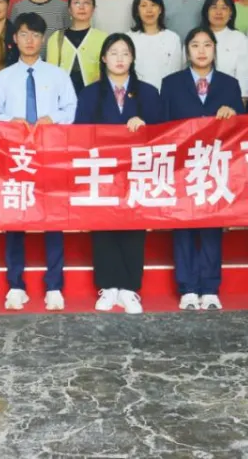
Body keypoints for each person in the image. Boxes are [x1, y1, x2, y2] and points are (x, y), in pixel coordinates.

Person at [0, 13, 78, 312]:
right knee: (15, 219)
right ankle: (16, 285)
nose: (29, 40)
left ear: (42, 39)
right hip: (16, 157)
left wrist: (54, 118)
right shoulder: (3, 77)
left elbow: (72, 108)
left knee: (53, 220)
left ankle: (54, 286)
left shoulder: (57, 75)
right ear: (15, 38)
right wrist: (9, 121)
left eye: (35, 35)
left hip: (51, 157)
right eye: (24, 34)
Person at [75, 33, 161, 314]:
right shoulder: (90, 93)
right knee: (103, 227)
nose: (120, 58)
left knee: (134, 227)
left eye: (125, 53)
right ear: (103, 58)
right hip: (102, 171)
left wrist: (144, 124)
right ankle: (108, 286)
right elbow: (80, 133)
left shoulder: (148, 92)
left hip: (137, 172)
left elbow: (164, 132)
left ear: (133, 58)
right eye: (113, 53)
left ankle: (130, 288)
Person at [161, 27, 245, 311]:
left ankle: (209, 288)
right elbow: (162, 126)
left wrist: (233, 115)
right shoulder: (171, 84)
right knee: (183, 227)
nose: (201, 50)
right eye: (195, 45)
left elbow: (244, 128)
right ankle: (186, 288)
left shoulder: (230, 85)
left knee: (211, 227)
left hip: (216, 166)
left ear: (215, 49)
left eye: (207, 45)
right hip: (181, 167)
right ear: (187, 51)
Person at [47, 0, 108, 96]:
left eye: (86, 3)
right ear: (69, 9)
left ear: (93, 9)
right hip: (62, 101)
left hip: (94, 99)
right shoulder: (56, 38)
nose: (81, 7)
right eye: (76, 3)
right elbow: (50, 76)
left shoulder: (104, 38)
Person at [201, 0, 248, 105]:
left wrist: (240, 104)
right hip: (198, 100)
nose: (218, 12)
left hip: (229, 100)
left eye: (224, 8)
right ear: (206, 11)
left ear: (231, 13)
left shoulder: (239, 38)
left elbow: (244, 76)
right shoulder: (196, 36)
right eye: (214, 7)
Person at [127, 0, 184, 89]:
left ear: (160, 10)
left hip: (167, 94)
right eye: (144, 5)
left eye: (153, 5)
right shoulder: (128, 39)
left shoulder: (172, 38)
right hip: (138, 94)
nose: (149, 10)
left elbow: (177, 72)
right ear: (137, 11)